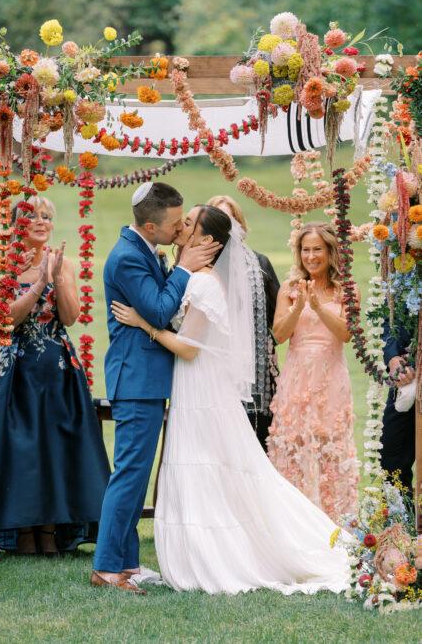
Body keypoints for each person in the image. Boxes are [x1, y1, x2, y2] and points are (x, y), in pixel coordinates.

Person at [110, 205, 351, 595]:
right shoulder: (194, 278)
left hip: (201, 388)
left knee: (210, 467)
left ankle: (223, 553)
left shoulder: (205, 285)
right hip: (194, 387)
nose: (182, 226)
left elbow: (188, 349)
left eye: (189, 223)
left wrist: (145, 324)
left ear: (207, 241)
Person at [91, 182, 220, 594]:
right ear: (150, 225)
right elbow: (161, 310)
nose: (182, 227)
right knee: (129, 475)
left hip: (146, 377)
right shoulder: (128, 257)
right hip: (136, 378)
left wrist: (175, 266)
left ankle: (127, 563)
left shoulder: (144, 249)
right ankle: (107, 568)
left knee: (136, 473)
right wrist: (182, 269)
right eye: (175, 222)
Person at [0, 196, 110, 555]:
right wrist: (38, 283)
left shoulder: (63, 263)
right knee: (19, 446)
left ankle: (52, 531)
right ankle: (22, 531)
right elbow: (7, 319)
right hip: (16, 367)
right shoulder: (5, 265)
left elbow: (70, 317)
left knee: (55, 442)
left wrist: (56, 276)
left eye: (46, 216)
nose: (41, 222)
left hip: (56, 366)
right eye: (32, 217)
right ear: (16, 225)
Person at [268, 222, 359, 522]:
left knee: (329, 452)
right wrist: (299, 307)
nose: (311, 256)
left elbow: (347, 334)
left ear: (329, 251)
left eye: (317, 249)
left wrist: (319, 307)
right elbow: (279, 335)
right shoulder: (290, 288)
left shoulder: (346, 289)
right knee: (294, 449)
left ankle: (332, 522)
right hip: (296, 379)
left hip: (330, 379)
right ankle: (294, 523)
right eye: (305, 250)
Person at [207, 195, 279, 449]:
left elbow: (276, 321)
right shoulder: (198, 265)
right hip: (211, 369)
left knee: (255, 445)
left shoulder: (260, 265)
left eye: (230, 219)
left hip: (254, 372)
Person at [380, 318, 415, 493]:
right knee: (391, 458)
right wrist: (393, 359)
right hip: (406, 381)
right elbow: (390, 320)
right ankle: (398, 517)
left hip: (412, 366)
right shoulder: (399, 289)